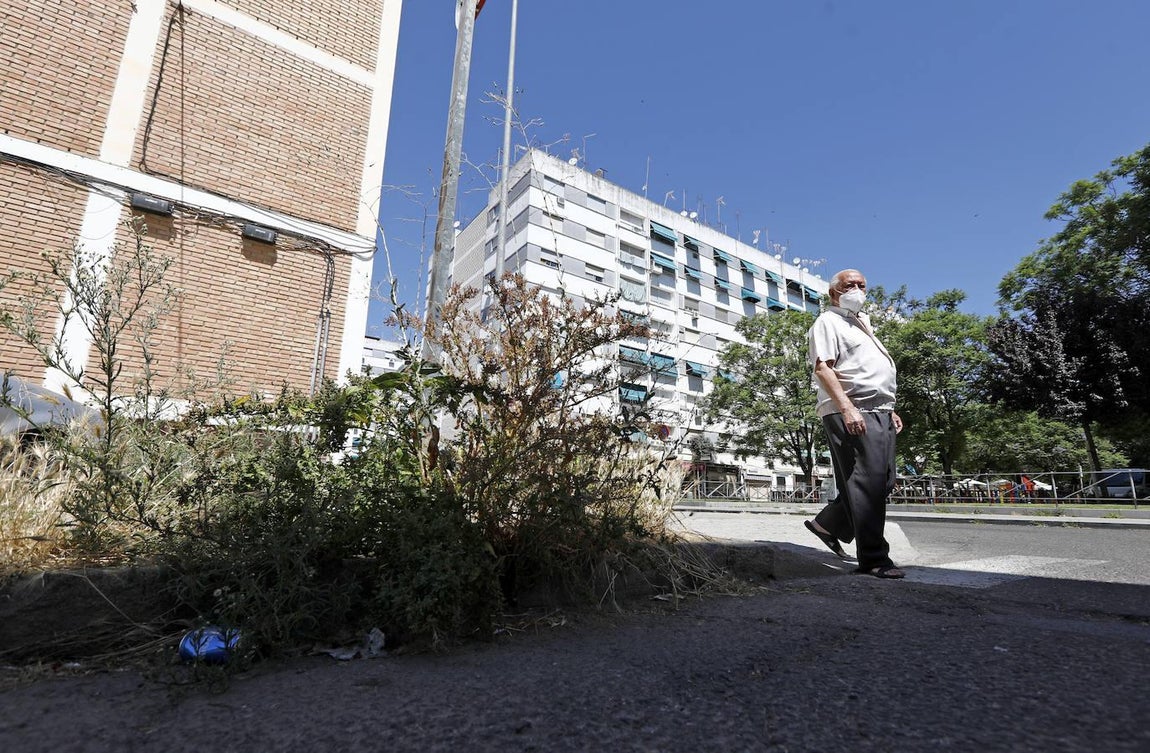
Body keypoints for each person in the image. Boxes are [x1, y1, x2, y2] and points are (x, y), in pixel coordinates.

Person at [803, 269, 906, 579]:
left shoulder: (861, 324)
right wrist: (847, 408)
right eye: (851, 285)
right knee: (866, 483)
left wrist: (889, 408)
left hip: (879, 410)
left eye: (862, 285)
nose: (858, 289)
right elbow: (823, 368)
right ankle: (875, 559)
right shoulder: (828, 322)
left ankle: (828, 524)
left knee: (883, 481)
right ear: (835, 292)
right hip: (852, 410)